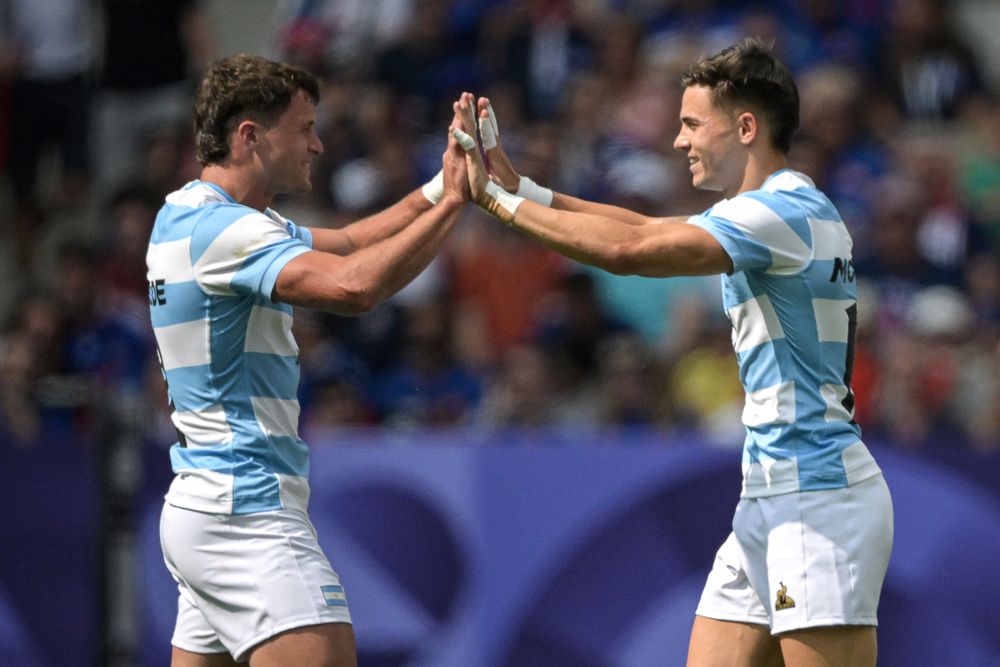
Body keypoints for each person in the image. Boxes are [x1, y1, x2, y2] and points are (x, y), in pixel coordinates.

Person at [452, 37, 893, 666]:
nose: (679, 140)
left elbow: (633, 253)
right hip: (769, 496)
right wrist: (524, 187)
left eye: (691, 124)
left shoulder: (784, 211)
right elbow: (641, 228)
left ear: (745, 127)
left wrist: (498, 204)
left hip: (821, 499)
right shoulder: (767, 210)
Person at [146, 53, 469, 667]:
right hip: (247, 511)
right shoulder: (228, 233)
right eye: (304, 129)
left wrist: (439, 184)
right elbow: (354, 287)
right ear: (250, 136)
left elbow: (347, 241)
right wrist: (456, 205)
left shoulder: (185, 215)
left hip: (200, 504)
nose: (318, 145)